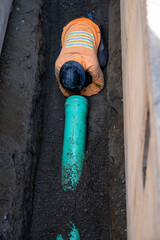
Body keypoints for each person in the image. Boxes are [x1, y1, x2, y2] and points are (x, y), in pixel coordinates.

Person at [55, 16, 108, 97]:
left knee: (102, 62)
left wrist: (82, 92)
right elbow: (60, 83)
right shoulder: (58, 65)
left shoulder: (91, 63)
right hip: (70, 26)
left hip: (92, 25)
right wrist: (68, 92)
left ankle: (99, 34)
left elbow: (99, 85)